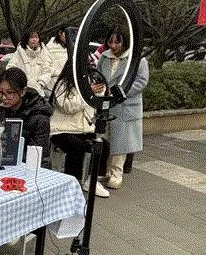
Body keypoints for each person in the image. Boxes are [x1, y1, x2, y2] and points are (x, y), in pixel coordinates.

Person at [96, 24, 149, 189]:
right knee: (105, 139)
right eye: (110, 42)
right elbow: (98, 76)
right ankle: (105, 172)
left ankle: (116, 173)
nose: (113, 46)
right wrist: (99, 88)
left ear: (125, 41)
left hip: (125, 106)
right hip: (106, 105)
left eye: (117, 42)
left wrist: (119, 92)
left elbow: (141, 82)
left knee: (121, 143)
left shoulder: (137, 59)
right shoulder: (104, 57)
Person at [49, 61, 110, 197]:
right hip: (61, 130)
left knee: (103, 145)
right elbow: (69, 107)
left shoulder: (87, 84)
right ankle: (73, 181)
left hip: (83, 130)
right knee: (78, 147)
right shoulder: (62, 85)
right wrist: (88, 93)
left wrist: (101, 92)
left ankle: (92, 181)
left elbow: (96, 105)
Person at [0, 67, 51, 167]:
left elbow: (37, 153)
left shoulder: (39, 117)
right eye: (0, 92)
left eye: (9, 93)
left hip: (33, 167)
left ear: (23, 91)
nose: (3, 97)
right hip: (2, 163)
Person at [6, 28, 54, 99]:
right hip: (23, 92)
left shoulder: (44, 52)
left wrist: (41, 83)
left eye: (36, 37)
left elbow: (48, 69)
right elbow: (11, 69)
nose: (35, 40)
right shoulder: (19, 53)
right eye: (32, 38)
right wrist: (22, 84)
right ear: (27, 39)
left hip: (39, 91)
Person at [46, 24, 68, 94]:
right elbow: (46, 67)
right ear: (60, 33)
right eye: (66, 34)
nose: (68, 36)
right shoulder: (50, 48)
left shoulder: (69, 49)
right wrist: (59, 73)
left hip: (66, 86)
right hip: (53, 86)